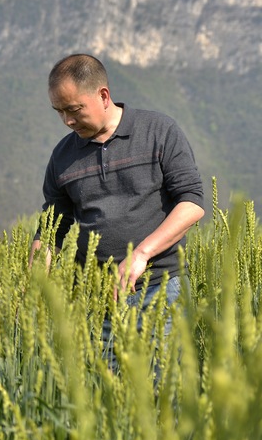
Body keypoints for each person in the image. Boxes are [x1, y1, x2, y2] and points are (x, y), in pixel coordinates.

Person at [29, 53, 204, 374]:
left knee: (163, 397)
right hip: (95, 301)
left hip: (160, 290)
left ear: (103, 96)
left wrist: (141, 253)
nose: (67, 120)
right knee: (106, 403)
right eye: (59, 111)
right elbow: (51, 227)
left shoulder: (159, 131)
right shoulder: (63, 156)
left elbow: (191, 203)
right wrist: (34, 282)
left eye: (74, 109)